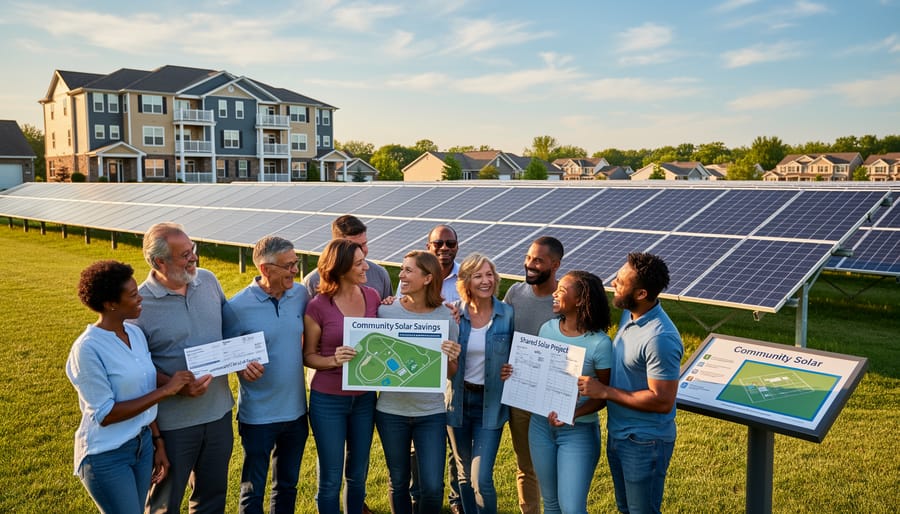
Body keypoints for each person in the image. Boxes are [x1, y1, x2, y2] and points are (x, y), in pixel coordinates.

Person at [66, 260, 194, 513]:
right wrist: (167, 389)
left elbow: (144, 389)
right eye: (134, 295)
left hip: (142, 445)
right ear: (110, 304)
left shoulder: (134, 334)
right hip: (107, 455)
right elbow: (105, 414)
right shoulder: (88, 349)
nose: (140, 299)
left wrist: (157, 442)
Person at [133, 222, 236, 514]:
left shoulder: (208, 280)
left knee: (212, 498)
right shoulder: (139, 305)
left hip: (218, 413)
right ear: (159, 262)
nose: (193, 259)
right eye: (184, 255)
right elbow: (136, 366)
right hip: (173, 423)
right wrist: (173, 384)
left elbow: (229, 329)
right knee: (165, 503)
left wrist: (244, 358)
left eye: (193, 251)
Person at [578, 252, 683, 514]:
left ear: (641, 294)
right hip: (620, 433)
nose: (613, 283)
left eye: (621, 282)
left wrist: (604, 391)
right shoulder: (631, 315)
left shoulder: (661, 338)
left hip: (645, 442)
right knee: (626, 507)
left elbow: (662, 400)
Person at [511, 270, 612, 514]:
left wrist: (574, 414)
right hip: (540, 427)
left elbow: (603, 395)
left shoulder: (600, 344)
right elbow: (539, 371)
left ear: (579, 300)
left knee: (572, 508)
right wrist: (515, 372)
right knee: (552, 504)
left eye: (561, 291)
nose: (554, 294)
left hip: (577, 432)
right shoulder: (547, 329)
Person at [222, 236, 309, 514]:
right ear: (265, 269)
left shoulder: (300, 295)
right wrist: (240, 367)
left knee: (287, 486)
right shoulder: (236, 308)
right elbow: (225, 355)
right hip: (258, 416)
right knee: (252, 489)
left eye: (296, 263)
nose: (295, 271)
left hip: (296, 413)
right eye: (288, 265)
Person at [376, 251, 462, 514]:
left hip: (431, 414)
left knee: (433, 487)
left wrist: (451, 357)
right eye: (401, 269)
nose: (400, 275)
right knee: (399, 482)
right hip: (391, 413)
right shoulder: (385, 310)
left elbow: (450, 373)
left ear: (427, 278)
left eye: (408, 271)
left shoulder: (446, 317)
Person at [303, 239, 379, 514]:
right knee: (331, 478)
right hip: (328, 401)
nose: (366, 266)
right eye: (358, 263)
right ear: (341, 267)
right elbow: (308, 355)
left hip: (364, 399)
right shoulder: (318, 306)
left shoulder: (372, 296)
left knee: (358, 475)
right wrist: (332, 360)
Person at [446, 253, 514, 514]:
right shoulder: (454, 314)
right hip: (458, 400)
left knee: (481, 478)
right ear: (466, 281)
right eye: (478, 276)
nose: (486, 281)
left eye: (489, 275)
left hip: (491, 403)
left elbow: (518, 354)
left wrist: (512, 368)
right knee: (463, 473)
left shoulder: (507, 314)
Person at [501, 236, 564, 514]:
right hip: (521, 395)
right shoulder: (515, 294)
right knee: (526, 467)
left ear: (555, 264)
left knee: (558, 464)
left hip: (556, 396)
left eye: (538, 260)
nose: (530, 264)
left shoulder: (566, 297)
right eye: (528, 258)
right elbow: (501, 335)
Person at [304, 214, 393, 299]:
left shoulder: (380, 275)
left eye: (364, 244)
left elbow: (386, 312)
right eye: (354, 247)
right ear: (337, 246)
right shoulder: (312, 281)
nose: (361, 251)